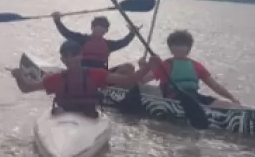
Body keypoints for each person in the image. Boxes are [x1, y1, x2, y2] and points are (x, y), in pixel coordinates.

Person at [11, 40, 157, 118]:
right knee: (58, 111)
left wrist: (148, 67)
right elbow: (26, 88)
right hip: (63, 114)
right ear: (62, 59)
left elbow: (129, 80)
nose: (70, 59)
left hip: (88, 114)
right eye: (66, 57)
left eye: (73, 55)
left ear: (81, 56)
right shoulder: (55, 79)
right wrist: (19, 76)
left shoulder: (97, 74)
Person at [135, 29, 242, 108]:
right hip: (174, 99)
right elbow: (143, 80)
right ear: (170, 48)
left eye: (182, 45)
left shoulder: (196, 66)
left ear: (189, 48)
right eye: (176, 45)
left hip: (194, 97)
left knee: (228, 105)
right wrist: (144, 66)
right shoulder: (166, 65)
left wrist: (232, 99)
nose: (179, 48)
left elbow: (216, 86)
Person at [50, 12, 137, 74]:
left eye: (103, 26)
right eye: (97, 26)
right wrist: (57, 21)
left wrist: (132, 33)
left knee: (128, 67)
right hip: (83, 71)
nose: (99, 28)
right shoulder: (82, 39)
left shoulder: (109, 44)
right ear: (92, 27)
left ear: (106, 30)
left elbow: (123, 43)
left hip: (101, 72)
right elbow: (66, 33)